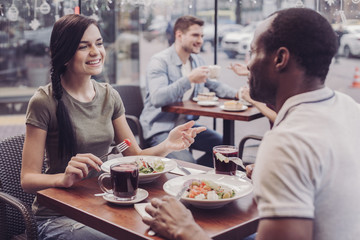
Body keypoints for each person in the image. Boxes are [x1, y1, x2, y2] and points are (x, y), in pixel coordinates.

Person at [142, 8, 360, 240]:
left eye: (253, 52)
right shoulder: (350, 108)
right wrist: (278, 176)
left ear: (279, 59)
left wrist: (185, 229)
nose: (247, 64)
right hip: (163, 130)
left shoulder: (286, 142)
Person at [21, 14, 205, 240]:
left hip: (102, 205)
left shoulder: (110, 96)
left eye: (98, 43)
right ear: (65, 54)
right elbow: (27, 179)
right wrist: (63, 178)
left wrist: (168, 144)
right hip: (58, 216)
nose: (96, 52)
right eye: (83, 46)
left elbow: (134, 155)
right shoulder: (43, 101)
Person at [140, 15, 240, 167]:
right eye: (195, 35)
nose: (200, 40)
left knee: (225, 147)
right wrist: (189, 79)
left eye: (201, 35)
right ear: (179, 35)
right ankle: (190, 173)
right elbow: (157, 98)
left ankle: (196, 174)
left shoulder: (197, 60)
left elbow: (214, 85)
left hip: (186, 127)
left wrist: (238, 94)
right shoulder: (159, 61)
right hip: (161, 128)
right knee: (188, 163)